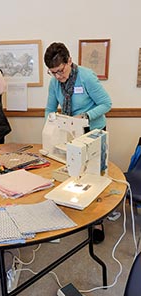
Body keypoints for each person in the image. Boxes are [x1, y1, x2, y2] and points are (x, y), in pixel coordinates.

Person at [44, 42, 112, 244]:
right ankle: (75, 209)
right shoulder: (54, 83)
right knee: (73, 172)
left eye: (60, 70)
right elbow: (49, 109)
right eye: (53, 72)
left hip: (93, 131)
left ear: (69, 61)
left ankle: (97, 222)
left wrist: (86, 116)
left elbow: (106, 104)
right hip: (70, 131)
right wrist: (52, 123)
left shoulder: (86, 77)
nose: (58, 76)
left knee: (95, 176)